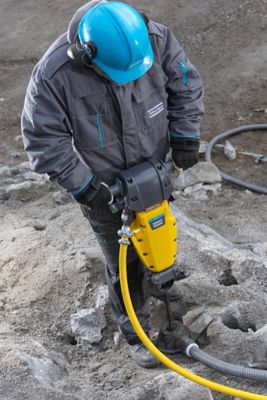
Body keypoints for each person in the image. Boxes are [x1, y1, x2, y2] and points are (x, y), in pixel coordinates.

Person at [21, 0, 204, 368]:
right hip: (104, 186)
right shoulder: (54, 75)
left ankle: (162, 288)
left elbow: (184, 82)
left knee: (159, 232)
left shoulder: (154, 39)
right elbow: (43, 138)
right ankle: (137, 333)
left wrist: (185, 135)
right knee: (123, 261)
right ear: (86, 54)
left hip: (156, 166)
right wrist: (85, 186)